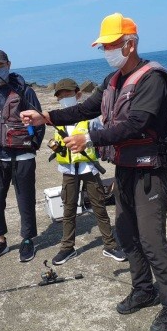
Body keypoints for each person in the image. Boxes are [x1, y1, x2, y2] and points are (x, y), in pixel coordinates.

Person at [21, 13, 167, 331]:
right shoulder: (112, 81)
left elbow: (136, 123)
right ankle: (143, 289)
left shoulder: (152, 79)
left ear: (130, 44)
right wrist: (46, 118)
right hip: (125, 168)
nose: (107, 50)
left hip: (150, 170)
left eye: (111, 44)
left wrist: (91, 138)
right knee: (126, 233)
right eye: (104, 46)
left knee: (152, 242)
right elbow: (84, 110)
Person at [48, 77, 126, 265]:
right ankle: (67, 247)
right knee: (68, 208)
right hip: (68, 169)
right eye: (61, 96)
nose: (64, 99)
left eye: (68, 95)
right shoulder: (58, 118)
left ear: (78, 94)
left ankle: (110, 245)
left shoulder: (90, 117)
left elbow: (102, 136)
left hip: (89, 168)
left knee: (99, 205)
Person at [0, 49, 45, 263]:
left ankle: (27, 240)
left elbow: (39, 121)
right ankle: (0, 241)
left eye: (1, 66)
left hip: (23, 155)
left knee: (25, 200)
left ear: (9, 64)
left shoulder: (25, 91)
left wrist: (31, 145)